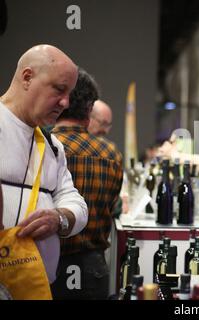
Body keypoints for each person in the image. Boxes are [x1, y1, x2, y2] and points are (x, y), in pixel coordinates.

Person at [0, 45, 88, 284]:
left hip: (37, 287)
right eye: (59, 89)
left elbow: (75, 202)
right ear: (27, 77)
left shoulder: (52, 145)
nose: (66, 102)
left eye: (69, 93)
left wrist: (59, 218)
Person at [51, 68, 124, 299]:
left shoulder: (42, 146)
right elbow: (112, 207)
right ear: (90, 109)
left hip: (47, 263)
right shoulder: (111, 153)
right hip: (93, 266)